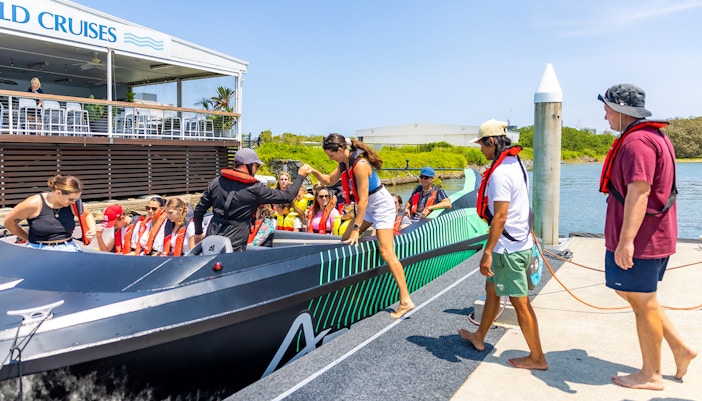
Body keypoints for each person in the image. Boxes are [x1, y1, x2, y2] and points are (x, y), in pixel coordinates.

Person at [597, 84, 697, 390]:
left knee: (643, 303)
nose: (605, 115)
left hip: (642, 241)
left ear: (624, 109)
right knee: (639, 297)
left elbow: (639, 192)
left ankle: (651, 374)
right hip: (651, 237)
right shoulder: (653, 136)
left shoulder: (637, 142)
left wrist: (626, 241)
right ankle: (680, 349)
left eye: (608, 108)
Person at [457, 119, 547, 370]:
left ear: (491, 142)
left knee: (521, 303)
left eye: (482, 146)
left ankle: (537, 357)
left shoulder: (499, 173)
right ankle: (479, 336)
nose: (481, 151)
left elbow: (500, 217)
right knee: (492, 290)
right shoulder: (517, 164)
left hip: (508, 250)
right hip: (519, 242)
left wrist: (487, 252)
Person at [310, 133, 414, 318]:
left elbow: (363, 201)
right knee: (344, 240)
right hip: (368, 206)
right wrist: (312, 170)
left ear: (341, 150)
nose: (330, 158)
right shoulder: (343, 163)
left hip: (380, 205)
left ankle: (405, 300)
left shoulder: (360, 166)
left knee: (386, 252)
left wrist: (357, 229)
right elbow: (328, 181)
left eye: (331, 155)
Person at [192, 148, 311, 251]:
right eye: (257, 166)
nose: (257, 169)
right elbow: (288, 196)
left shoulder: (216, 182)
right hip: (234, 242)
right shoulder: (255, 189)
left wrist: (198, 232)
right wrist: (300, 176)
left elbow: (199, 210)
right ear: (247, 165)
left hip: (211, 237)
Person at [4, 174, 96, 252]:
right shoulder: (34, 204)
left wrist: (92, 229)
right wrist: (27, 238)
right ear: (58, 193)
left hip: (68, 247)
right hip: (39, 249)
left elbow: (87, 214)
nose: (73, 202)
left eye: (76, 199)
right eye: (71, 199)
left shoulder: (72, 205)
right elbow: (9, 222)